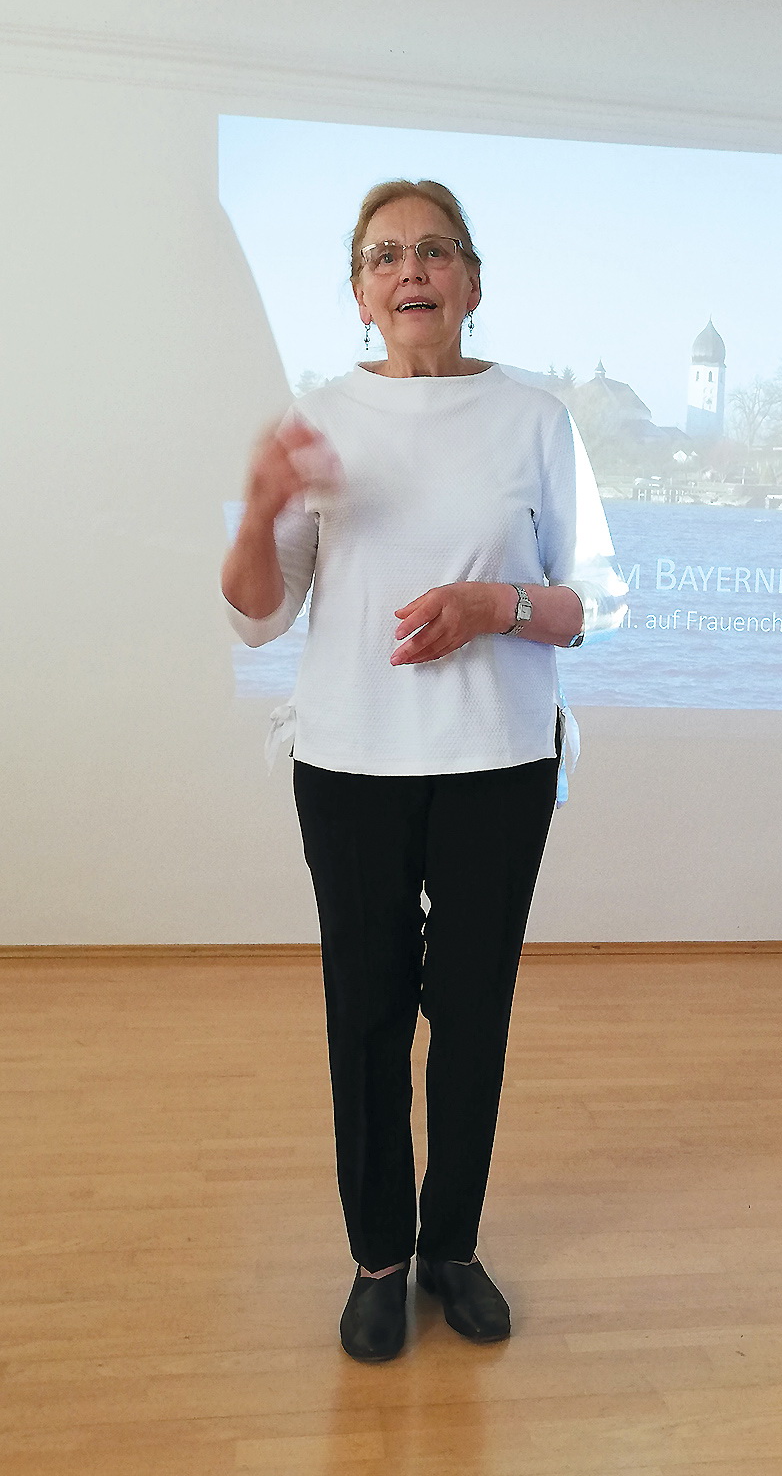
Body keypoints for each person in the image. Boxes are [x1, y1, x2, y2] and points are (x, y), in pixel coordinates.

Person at [222, 179, 627, 1362]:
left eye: (435, 250)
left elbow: (594, 603)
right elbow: (256, 615)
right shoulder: (318, 419)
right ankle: (377, 1260)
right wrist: (254, 515)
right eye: (384, 254)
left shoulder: (536, 419)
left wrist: (495, 605)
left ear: (472, 282)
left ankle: (451, 1247)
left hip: (499, 764)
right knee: (366, 1019)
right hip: (349, 766)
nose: (411, 270)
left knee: (472, 1015)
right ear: (359, 294)